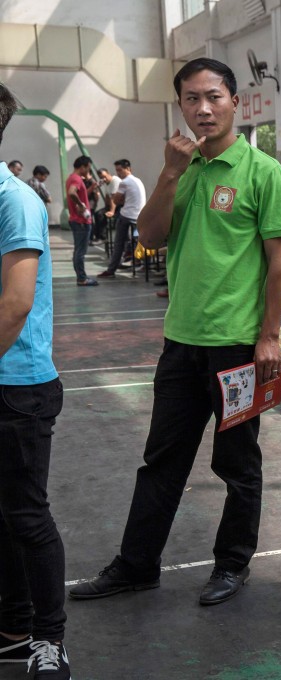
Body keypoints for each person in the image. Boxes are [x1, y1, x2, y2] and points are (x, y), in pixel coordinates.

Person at [69, 57, 281, 607]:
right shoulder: (181, 168)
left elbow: (280, 261)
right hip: (181, 344)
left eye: (213, 97)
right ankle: (136, 565)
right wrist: (170, 172)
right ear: (181, 107)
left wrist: (269, 335)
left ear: (235, 101)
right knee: (162, 461)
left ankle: (232, 564)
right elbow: (148, 237)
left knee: (237, 464)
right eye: (192, 99)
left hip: (237, 348)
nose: (203, 109)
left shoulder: (262, 171)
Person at [0, 83, 72, 679]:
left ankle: (50, 639)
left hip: (17, 387)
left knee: (26, 516)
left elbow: (17, 303)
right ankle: (14, 627)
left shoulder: (15, 201)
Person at [96, 159, 146, 278]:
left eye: (120, 170)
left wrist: (120, 200)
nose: (118, 173)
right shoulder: (138, 180)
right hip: (140, 215)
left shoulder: (124, 183)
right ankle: (138, 259)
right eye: (117, 170)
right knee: (138, 239)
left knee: (118, 243)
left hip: (128, 215)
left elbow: (116, 200)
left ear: (128, 169)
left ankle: (111, 269)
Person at [64, 155, 97, 286]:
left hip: (77, 220)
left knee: (79, 250)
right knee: (80, 252)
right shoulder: (76, 179)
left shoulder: (72, 178)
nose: (88, 171)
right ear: (83, 167)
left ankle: (81, 277)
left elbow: (78, 194)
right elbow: (72, 192)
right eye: (88, 168)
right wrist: (81, 205)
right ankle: (82, 278)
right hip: (81, 221)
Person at [91, 167, 120, 244]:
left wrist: (112, 211)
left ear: (108, 174)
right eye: (101, 178)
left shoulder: (115, 181)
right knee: (97, 214)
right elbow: (107, 197)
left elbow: (113, 198)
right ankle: (98, 236)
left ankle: (103, 237)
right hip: (113, 205)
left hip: (120, 205)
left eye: (105, 177)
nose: (104, 179)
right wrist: (106, 207)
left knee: (101, 215)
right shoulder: (107, 183)